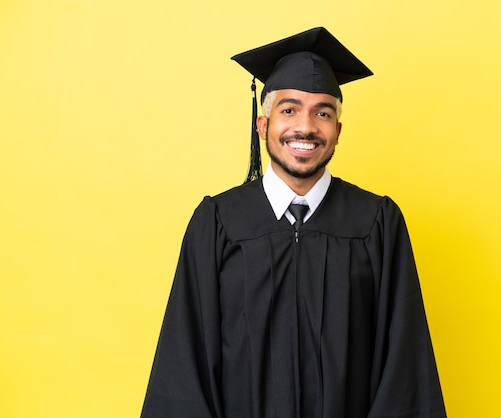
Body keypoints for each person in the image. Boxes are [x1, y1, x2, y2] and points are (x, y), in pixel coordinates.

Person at [141, 27, 446, 418]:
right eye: (289, 110)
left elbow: (405, 365)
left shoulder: (376, 223)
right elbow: (184, 364)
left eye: (323, 112)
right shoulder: (218, 222)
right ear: (263, 125)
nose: (305, 127)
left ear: (337, 131)